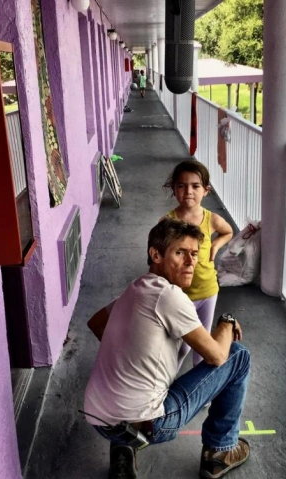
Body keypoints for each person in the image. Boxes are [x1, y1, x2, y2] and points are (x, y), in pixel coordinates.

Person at [83, 217, 251, 479]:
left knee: (132, 395)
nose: (191, 262)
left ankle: (123, 446)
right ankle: (220, 451)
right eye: (180, 253)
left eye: (194, 253)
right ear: (156, 255)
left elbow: (95, 323)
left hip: (100, 419)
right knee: (238, 356)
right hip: (152, 424)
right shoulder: (169, 296)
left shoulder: (136, 288)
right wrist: (227, 321)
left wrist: (128, 355)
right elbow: (218, 356)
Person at [162, 160, 234, 371]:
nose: (188, 192)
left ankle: (199, 384)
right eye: (182, 186)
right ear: (173, 189)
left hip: (208, 291)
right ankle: (164, 384)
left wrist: (215, 246)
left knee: (203, 348)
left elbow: (228, 231)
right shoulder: (167, 222)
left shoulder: (211, 219)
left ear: (206, 190)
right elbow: (159, 256)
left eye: (195, 186)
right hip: (180, 296)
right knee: (179, 347)